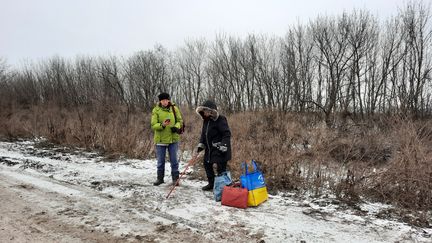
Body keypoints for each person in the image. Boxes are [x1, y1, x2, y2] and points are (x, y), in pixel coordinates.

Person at [195, 100, 232, 191]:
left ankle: (222, 186)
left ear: (212, 111)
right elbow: (204, 134)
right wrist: (201, 145)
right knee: (207, 164)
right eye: (204, 111)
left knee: (221, 167)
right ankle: (211, 183)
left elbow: (226, 133)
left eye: (207, 110)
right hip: (209, 148)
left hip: (220, 148)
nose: (205, 112)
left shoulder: (221, 119)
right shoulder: (206, 121)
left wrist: (224, 144)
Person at [151, 92, 183, 186]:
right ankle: (160, 179)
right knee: (161, 161)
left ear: (169, 100)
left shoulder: (174, 108)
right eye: (163, 100)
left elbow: (180, 121)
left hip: (173, 139)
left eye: (166, 100)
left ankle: (175, 180)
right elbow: (153, 125)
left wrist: (176, 127)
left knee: (174, 160)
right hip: (160, 140)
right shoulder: (156, 110)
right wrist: (162, 125)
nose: (165, 102)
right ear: (160, 101)